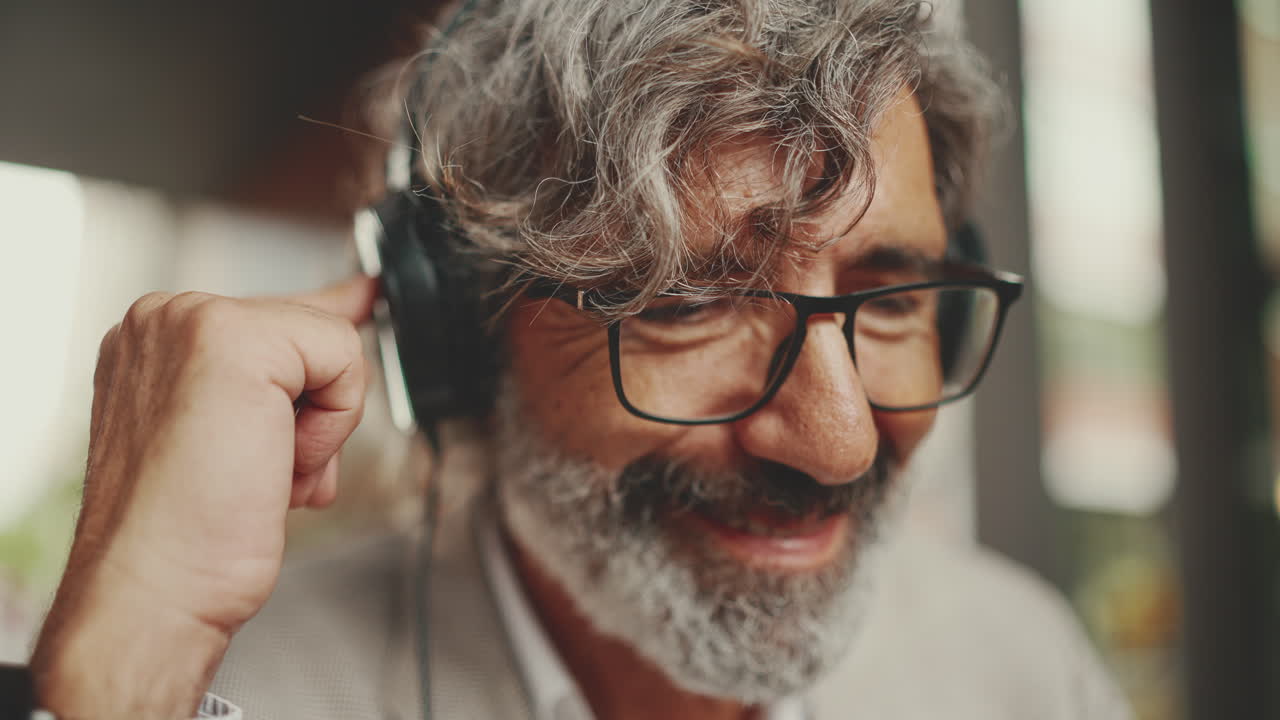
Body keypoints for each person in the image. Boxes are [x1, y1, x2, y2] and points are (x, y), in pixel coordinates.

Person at [28, 0, 1132, 718]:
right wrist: (121, 661)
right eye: (685, 302)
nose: (836, 440)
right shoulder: (225, 693)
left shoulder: (1020, 666)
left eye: (888, 298)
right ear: (453, 328)